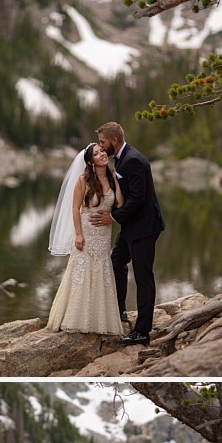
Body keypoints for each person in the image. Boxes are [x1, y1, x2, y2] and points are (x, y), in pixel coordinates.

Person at [91, 122, 165, 346]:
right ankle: (121, 310)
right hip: (131, 226)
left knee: (143, 278)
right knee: (116, 261)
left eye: (103, 143)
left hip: (143, 228)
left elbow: (137, 199)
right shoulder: (122, 158)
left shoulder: (133, 160)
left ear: (114, 141)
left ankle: (142, 331)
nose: (102, 148)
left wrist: (112, 218)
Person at [46, 144, 124, 336]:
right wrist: (79, 234)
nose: (102, 154)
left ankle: (100, 321)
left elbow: (119, 203)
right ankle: (74, 318)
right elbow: (74, 208)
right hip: (87, 232)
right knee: (81, 270)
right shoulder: (83, 180)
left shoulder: (112, 178)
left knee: (102, 271)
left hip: (104, 233)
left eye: (102, 151)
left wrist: (115, 179)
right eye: (96, 153)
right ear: (90, 161)